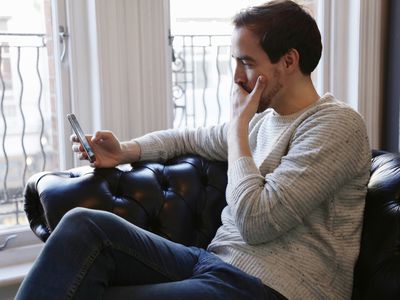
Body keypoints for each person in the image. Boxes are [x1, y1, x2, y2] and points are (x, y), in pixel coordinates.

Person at [16, 0, 371, 299]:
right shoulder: (263, 121)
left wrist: (237, 134)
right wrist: (124, 151)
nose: (236, 77)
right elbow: (187, 138)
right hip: (212, 264)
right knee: (84, 225)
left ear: (289, 61)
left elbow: (256, 222)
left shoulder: (336, 125)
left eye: (247, 62)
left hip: (272, 289)